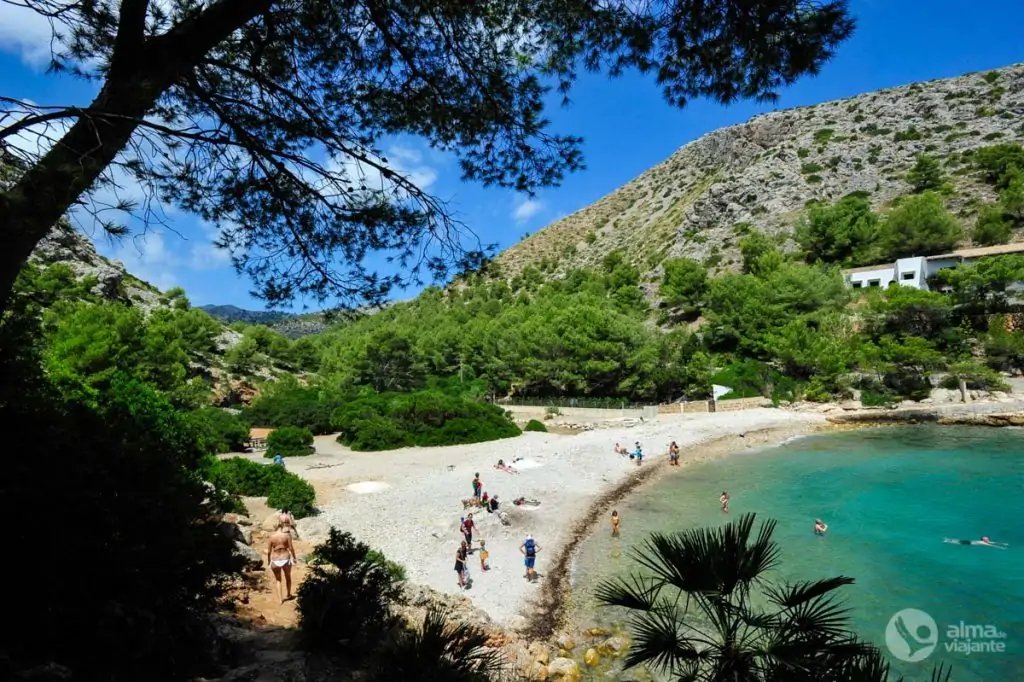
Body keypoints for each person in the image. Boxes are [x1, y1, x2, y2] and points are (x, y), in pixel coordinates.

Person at [266, 526, 297, 604]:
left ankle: (280, 599)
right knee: (288, 577)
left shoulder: (271, 537)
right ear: (282, 528)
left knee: (278, 580)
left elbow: (269, 551)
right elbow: (291, 548)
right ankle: (288, 594)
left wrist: (269, 561)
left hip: (275, 559)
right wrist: (294, 557)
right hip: (285, 558)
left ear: (276, 528)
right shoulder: (286, 536)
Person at [944, 536, 1009, 548]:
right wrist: (1001, 547)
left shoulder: (985, 541)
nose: (987, 538)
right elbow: (992, 545)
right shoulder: (982, 542)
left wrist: (1003, 544)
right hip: (969, 543)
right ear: (983, 540)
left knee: (958, 540)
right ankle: (947, 541)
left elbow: (993, 543)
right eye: (986, 538)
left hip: (970, 542)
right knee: (958, 542)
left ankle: (948, 539)